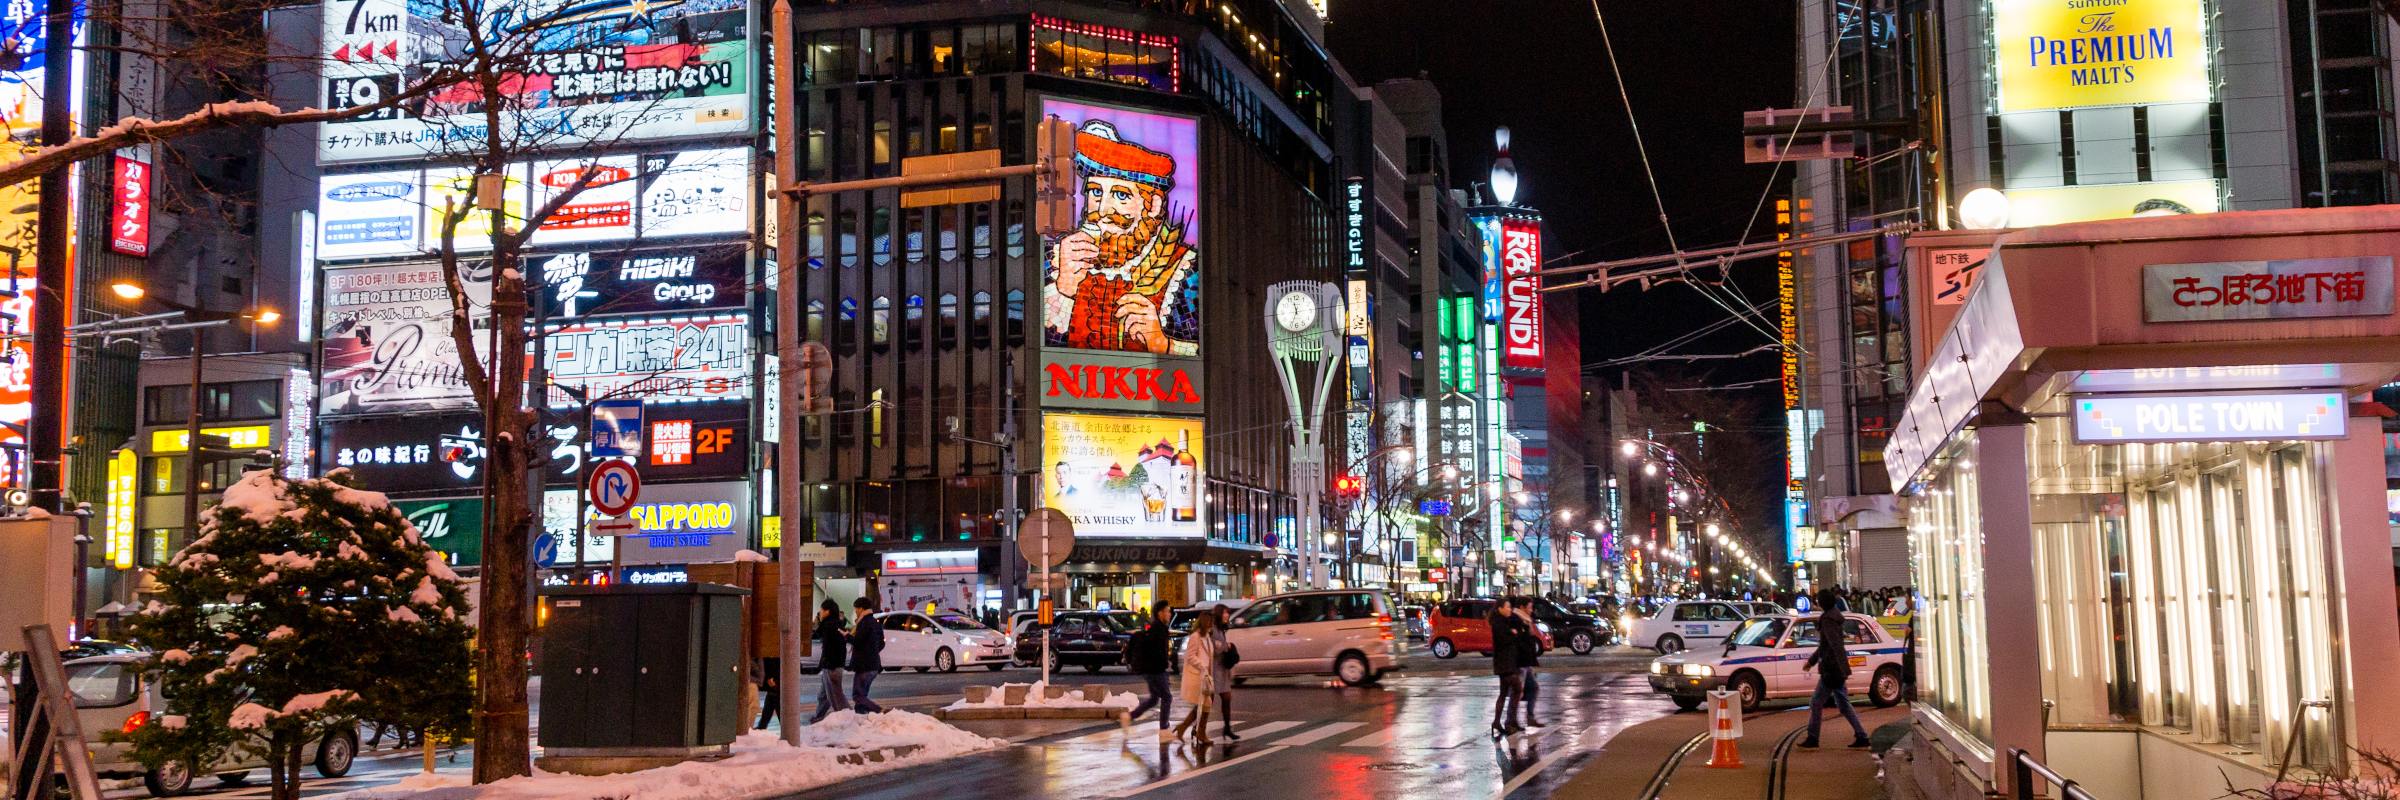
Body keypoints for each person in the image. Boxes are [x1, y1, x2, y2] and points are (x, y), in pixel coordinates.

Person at [1800, 609, 1871, 748]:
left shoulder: (1828, 621)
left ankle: (1813, 737)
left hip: (1831, 671)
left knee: (1816, 702)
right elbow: (1827, 646)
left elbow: (1829, 646)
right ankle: (1861, 735)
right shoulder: (1835, 619)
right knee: (1843, 704)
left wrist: (1818, 664)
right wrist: (1813, 662)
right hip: (1837, 670)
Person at [1123, 600, 1176, 742]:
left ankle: (1129, 716)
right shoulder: (1160, 629)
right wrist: (1165, 664)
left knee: (1154, 698)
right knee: (1166, 697)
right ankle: (1164, 729)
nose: (1169, 614)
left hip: (1150, 669)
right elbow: (1159, 651)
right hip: (1156, 669)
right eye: (1167, 611)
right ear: (1160, 613)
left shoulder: (1155, 628)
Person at [1172, 612, 1218, 745]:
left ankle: (1184, 728)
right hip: (1197, 676)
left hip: (1206, 676)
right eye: (1210, 622)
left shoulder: (1207, 637)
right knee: (1205, 703)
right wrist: (1202, 666)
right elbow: (1190, 656)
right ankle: (1200, 732)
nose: (1212, 625)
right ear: (1205, 622)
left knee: (1203, 704)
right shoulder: (1195, 637)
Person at [1488, 597, 1528, 736]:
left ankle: (1498, 721)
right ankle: (1509, 722)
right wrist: (1513, 634)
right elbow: (1505, 641)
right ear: (1500, 609)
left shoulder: (1505, 621)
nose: (1510, 609)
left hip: (1507, 662)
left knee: (1504, 693)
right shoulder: (1498, 623)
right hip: (1505, 663)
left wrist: (1515, 631)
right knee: (1517, 688)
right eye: (1507, 607)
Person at [809, 600, 851, 723]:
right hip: (832, 664)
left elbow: (831, 645)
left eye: (821, 610)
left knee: (836, 697)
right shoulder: (835, 624)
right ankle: (819, 717)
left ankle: (847, 719)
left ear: (827, 611)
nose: (820, 613)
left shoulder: (829, 626)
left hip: (832, 666)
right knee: (823, 696)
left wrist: (831, 664)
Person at [848, 598, 887, 713]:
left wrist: (847, 636)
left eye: (856, 609)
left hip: (864, 665)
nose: (855, 611)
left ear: (861, 608)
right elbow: (882, 643)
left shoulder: (863, 623)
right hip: (873, 664)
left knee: (858, 696)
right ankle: (861, 716)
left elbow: (858, 642)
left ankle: (879, 710)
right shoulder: (875, 622)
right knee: (862, 696)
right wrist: (873, 651)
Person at [1514, 597, 1544, 728]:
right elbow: (1521, 640)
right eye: (1529, 607)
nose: (1531, 610)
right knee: (1517, 692)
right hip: (1520, 662)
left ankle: (1529, 716)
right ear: (1522, 607)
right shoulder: (1517, 620)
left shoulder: (1525, 620)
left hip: (1526, 661)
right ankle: (1512, 720)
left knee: (1533, 688)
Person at [1211, 605, 1240, 741]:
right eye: (1225, 613)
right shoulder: (1213, 629)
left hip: (1222, 669)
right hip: (1213, 669)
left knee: (1226, 698)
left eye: (1228, 613)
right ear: (1219, 614)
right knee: (1206, 702)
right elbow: (1214, 647)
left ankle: (1227, 728)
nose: (1227, 615)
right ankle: (1194, 727)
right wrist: (1226, 646)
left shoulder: (1221, 629)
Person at [755, 656, 781, 729]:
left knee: (774, 699)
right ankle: (761, 726)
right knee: (772, 699)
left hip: (774, 683)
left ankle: (761, 727)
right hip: (774, 684)